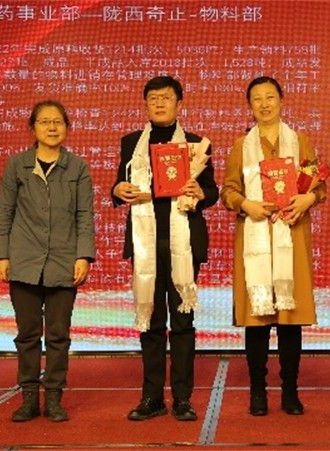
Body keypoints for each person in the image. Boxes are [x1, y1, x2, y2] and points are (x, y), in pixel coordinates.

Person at [111, 76, 218, 422]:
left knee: (183, 323)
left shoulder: (196, 144)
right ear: (146, 104)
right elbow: (119, 185)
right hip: (146, 245)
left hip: (183, 244)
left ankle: (182, 399)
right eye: (153, 98)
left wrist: (201, 193)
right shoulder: (131, 143)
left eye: (166, 98)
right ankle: (152, 397)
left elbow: (212, 191)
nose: (159, 103)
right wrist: (118, 190)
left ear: (179, 104)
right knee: (152, 324)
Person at [220, 76, 326, 416]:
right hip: (254, 237)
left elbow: (318, 186)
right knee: (258, 319)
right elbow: (228, 190)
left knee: (290, 319)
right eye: (257, 99)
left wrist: (307, 198)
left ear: (282, 100)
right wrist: (244, 204)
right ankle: (258, 391)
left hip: (291, 237)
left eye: (270, 97)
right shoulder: (241, 146)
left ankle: (290, 391)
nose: (264, 104)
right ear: (249, 106)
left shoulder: (301, 142)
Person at [0, 100, 96, 422]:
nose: (52, 127)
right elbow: (4, 212)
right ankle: (28, 397)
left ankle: (53, 397)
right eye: (45, 122)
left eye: (58, 122)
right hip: (23, 262)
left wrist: (83, 255)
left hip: (63, 262)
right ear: (33, 128)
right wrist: (2, 255)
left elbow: (85, 216)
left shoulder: (77, 167)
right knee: (27, 335)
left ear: (66, 127)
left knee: (58, 335)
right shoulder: (16, 165)